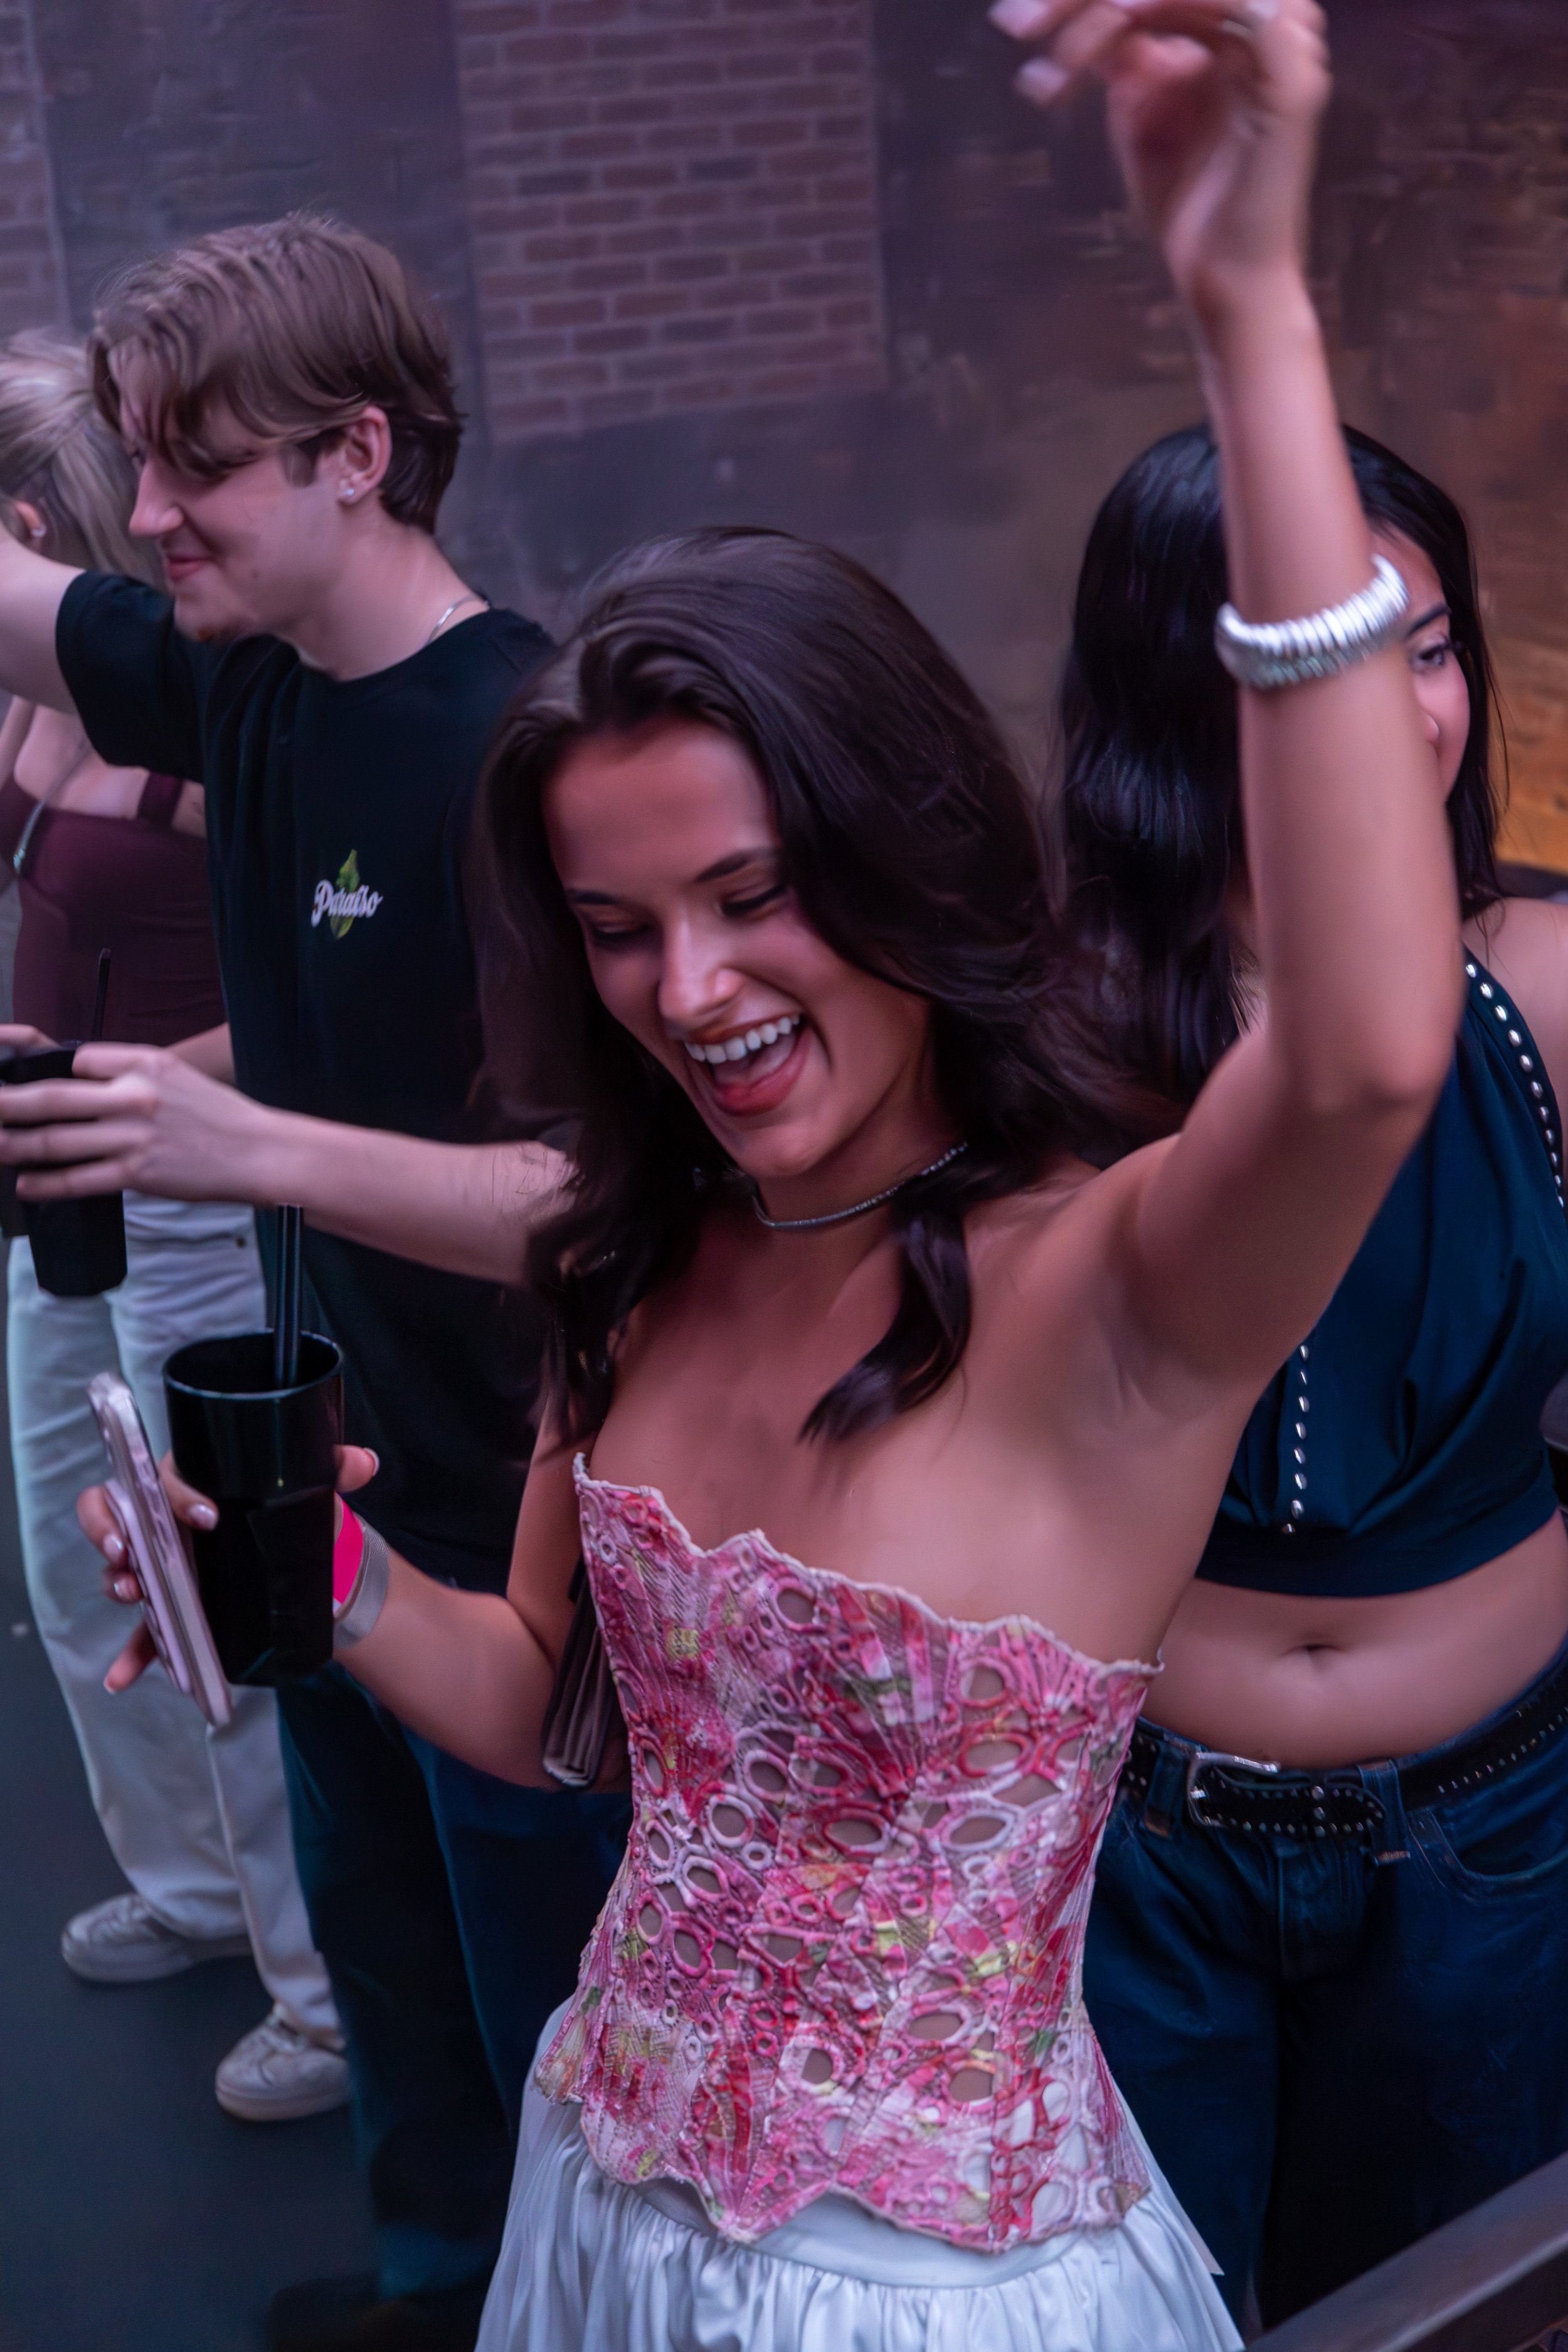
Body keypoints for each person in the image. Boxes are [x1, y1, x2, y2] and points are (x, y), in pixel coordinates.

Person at [88, 3, 1464, 2342]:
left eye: (750, 897)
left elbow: (1354, 1059)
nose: (686, 986)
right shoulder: (634, 1267)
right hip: (597, 2199)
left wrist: (1248, 301)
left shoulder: (1110, 1293)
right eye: (615, 930)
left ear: (903, 861)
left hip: (942, 2294)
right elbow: (547, 1707)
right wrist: (302, 1561)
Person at [0, 223, 628, 2352]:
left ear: (360, 452)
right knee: (382, 1966)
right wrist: (160, 1090)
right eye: (137, 464)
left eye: (199, 468)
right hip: (326, 1478)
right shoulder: (238, 671)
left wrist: (234, 1142)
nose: (147, 513)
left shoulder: (529, 751)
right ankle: (435, 2296)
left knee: (548, 2012)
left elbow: (601, 1204)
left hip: (520, 1514)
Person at [1057, 414, 1568, 2322]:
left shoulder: (1543, 986)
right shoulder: (1052, 1027)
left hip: (1494, 1842)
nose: (1398, 708)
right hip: (1128, 1847)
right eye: (1320, 650)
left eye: (1424, 646)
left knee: (1454, 2317)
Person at [0, 329, 344, 2121]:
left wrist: (141, 1099)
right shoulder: (42, 698)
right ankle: (197, 1890)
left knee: (215, 1582)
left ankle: (319, 1984)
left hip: (196, 1200)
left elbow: (306, 1010)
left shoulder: (220, 706)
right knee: (73, 1565)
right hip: (61, 1186)